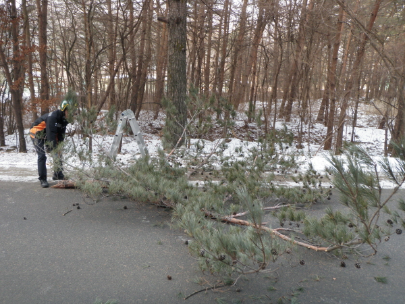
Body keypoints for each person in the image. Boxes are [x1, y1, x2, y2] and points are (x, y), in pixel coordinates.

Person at [29, 98, 75, 188]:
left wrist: (59, 148)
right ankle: (42, 179)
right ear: (64, 109)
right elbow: (51, 135)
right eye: (69, 111)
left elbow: (60, 135)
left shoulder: (64, 120)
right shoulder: (52, 117)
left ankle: (58, 174)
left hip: (47, 134)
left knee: (58, 152)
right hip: (37, 133)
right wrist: (53, 149)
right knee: (42, 155)